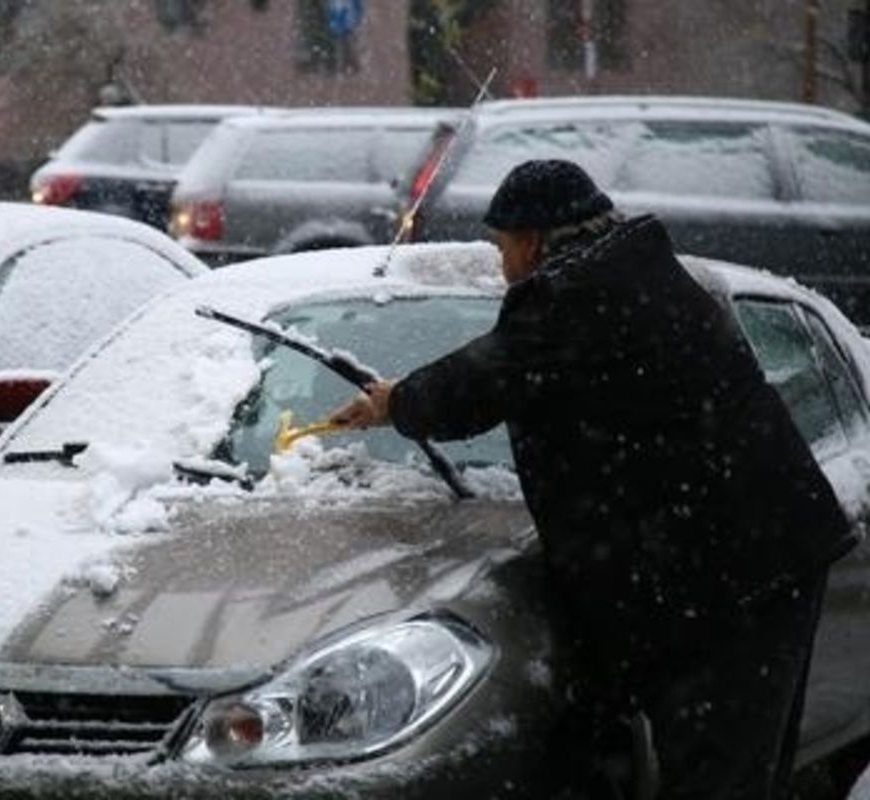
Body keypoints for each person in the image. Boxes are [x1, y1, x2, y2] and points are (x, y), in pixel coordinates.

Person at [328, 159, 857, 799]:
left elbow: (483, 380)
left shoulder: (577, 296)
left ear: (532, 239)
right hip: (754, 557)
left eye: (502, 247)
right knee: (738, 769)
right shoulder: (638, 273)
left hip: (727, 578)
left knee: (716, 777)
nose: (502, 267)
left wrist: (397, 403)